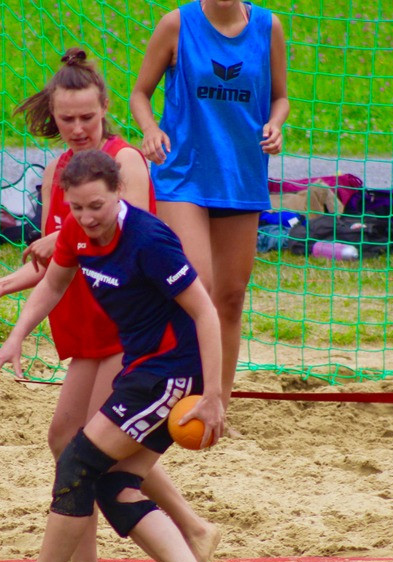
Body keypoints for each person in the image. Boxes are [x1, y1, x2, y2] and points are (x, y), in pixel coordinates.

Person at [0, 49, 219, 562]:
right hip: (85, 316)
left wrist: (59, 239)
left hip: (126, 322)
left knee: (96, 447)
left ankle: (176, 535)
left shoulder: (123, 162)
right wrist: (5, 285)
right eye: (66, 119)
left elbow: (126, 240)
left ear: (105, 111)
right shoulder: (61, 170)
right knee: (67, 440)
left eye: (87, 118)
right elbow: (60, 264)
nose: (77, 129)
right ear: (52, 117)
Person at [130, 0, 289, 408]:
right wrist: (150, 130)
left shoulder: (269, 27)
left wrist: (275, 124)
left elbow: (281, 98)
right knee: (196, 286)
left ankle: (217, 401)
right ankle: (175, 389)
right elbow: (139, 94)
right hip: (184, 174)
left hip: (239, 177)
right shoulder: (177, 24)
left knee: (231, 297)